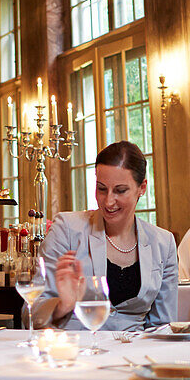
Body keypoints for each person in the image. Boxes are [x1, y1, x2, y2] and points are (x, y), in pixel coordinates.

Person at [34, 140, 178, 332]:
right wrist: (63, 306)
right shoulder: (66, 229)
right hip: (76, 352)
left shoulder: (164, 243)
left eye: (120, 190)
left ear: (142, 188)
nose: (109, 201)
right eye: (102, 189)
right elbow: (32, 315)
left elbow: (163, 327)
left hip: (133, 356)